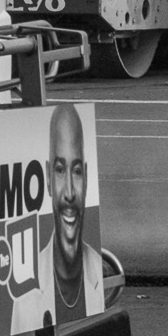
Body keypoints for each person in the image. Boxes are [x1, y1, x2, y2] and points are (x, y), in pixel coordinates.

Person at [47, 101, 102, 321]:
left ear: (86, 179)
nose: (69, 192)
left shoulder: (100, 271)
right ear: (48, 179)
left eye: (77, 171)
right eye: (60, 170)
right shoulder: (24, 301)